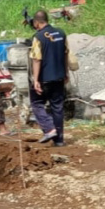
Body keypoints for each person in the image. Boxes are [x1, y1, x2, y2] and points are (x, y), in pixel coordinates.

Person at [30, 10, 68, 146]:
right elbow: (66, 54)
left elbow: (36, 59)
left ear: (36, 22)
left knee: (36, 103)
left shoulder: (38, 37)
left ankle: (49, 129)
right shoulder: (61, 33)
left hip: (45, 78)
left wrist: (35, 80)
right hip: (59, 77)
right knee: (57, 107)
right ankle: (59, 140)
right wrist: (66, 73)